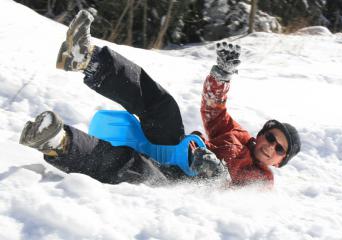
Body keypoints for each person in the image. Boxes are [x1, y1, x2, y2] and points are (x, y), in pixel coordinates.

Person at [19, 10, 301, 187]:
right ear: (261, 135)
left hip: (183, 179)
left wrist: (217, 177)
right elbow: (213, 110)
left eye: (279, 150)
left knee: (132, 168)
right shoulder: (237, 135)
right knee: (163, 106)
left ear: (280, 162)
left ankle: (59, 143)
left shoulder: (262, 182)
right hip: (179, 150)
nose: (271, 147)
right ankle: (86, 59)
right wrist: (222, 75)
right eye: (272, 138)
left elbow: (233, 205)